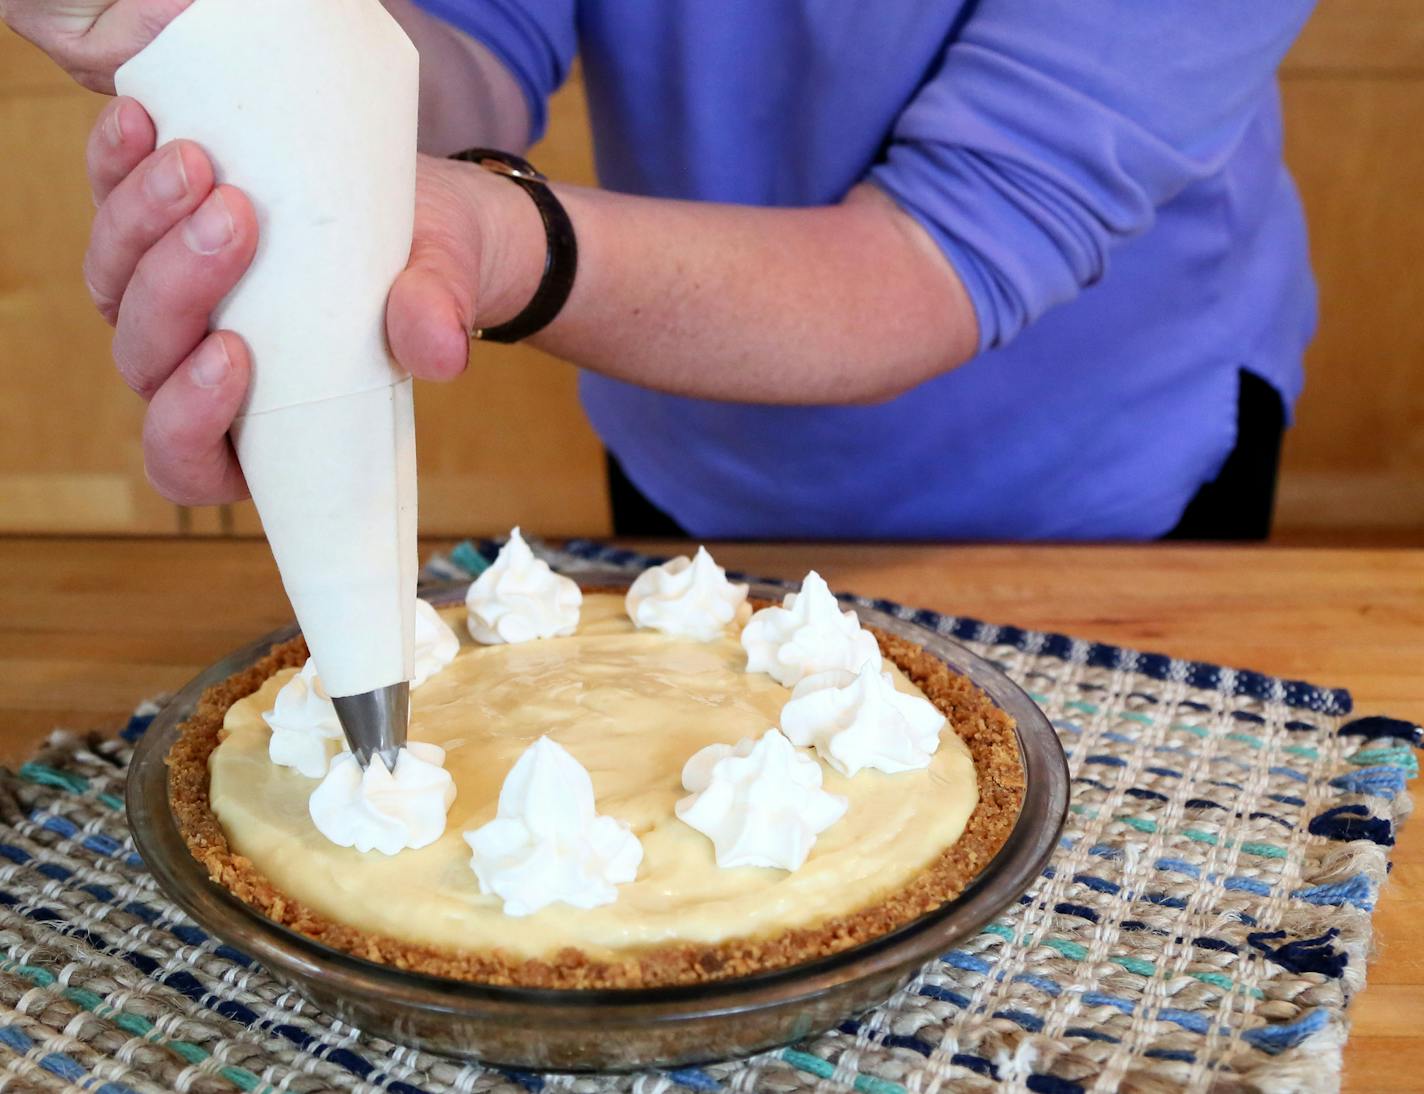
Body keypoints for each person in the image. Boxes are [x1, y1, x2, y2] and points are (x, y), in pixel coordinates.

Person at [3, 0, 1316, 540]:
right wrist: (233, 34)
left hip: (1099, 496)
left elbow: (934, 258)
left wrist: (504, 238)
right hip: (689, 452)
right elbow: (472, 47)